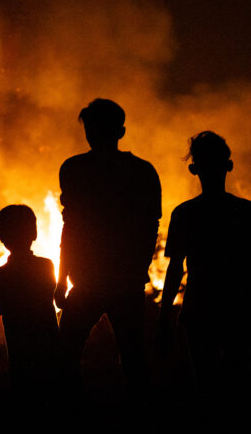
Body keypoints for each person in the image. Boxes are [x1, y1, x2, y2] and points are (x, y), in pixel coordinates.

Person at [158, 131, 251, 419]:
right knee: (242, 383)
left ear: (193, 169)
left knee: (206, 384)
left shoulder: (185, 214)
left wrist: (165, 315)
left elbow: (176, 269)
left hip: (200, 310)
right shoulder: (245, 211)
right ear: (229, 165)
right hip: (239, 309)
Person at [54, 98, 162, 394]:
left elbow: (72, 226)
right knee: (131, 357)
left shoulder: (75, 169)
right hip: (111, 281)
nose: (93, 132)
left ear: (119, 131)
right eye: (90, 127)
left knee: (69, 354)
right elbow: (148, 226)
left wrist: (63, 278)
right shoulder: (141, 171)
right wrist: (139, 269)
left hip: (95, 281)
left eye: (96, 126)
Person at [0, 204, 60, 397]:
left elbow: (0, 306)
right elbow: (49, 294)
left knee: (22, 386)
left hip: (18, 340)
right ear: (34, 233)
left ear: (2, 238)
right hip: (47, 338)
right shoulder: (46, 266)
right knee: (50, 386)